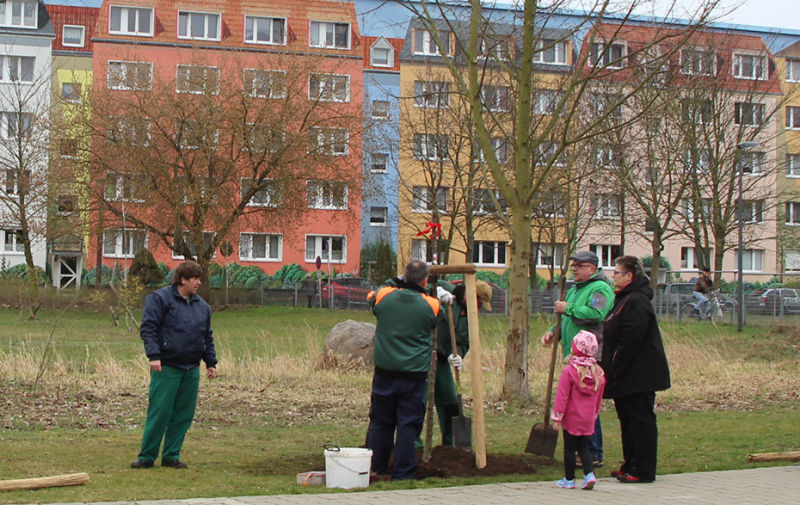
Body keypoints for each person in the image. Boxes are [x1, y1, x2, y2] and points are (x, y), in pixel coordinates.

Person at [131, 261, 218, 469]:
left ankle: (171, 455)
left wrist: (210, 362)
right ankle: (147, 456)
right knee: (160, 412)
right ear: (183, 279)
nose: (199, 283)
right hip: (166, 367)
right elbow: (148, 329)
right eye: (195, 279)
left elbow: (206, 336)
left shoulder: (202, 307)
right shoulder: (159, 299)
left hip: (191, 368)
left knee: (183, 415)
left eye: (199, 279)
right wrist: (154, 355)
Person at [366, 260, 441, 481]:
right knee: (408, 425)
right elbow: (439, 319)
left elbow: (375, 294)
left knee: (380, 422)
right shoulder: (431, 305)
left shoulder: (384, 296)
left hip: (384, 373)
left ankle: (377, 468)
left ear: (404, 276)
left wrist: (397, 280)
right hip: (413, 377)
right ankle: (403, 473)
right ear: (425, 280)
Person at [601, 255, 671, 484]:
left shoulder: (637, 301)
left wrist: (616, 367)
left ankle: (643, 468)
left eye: (617, 272)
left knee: (640, 420)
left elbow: (631, 339)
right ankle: (630, 463)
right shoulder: (623, 299)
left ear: (629, 276)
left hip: (639, 375)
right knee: (627, 420)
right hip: (624, 375)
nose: (613, 276)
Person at [541, 250, 614, 468]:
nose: (574, 269)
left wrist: (568, 308)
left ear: (591, 268)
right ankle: (581, 450)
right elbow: (567, 319)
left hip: (591, 360)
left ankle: (592, 452)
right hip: (573, 359)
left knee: (586, 405)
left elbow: (596, 314)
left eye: (579, 265)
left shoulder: (600, 289)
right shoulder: (575, 290)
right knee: (575, 405)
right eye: (573, 265)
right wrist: (554, 332)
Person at [416, 279, 493, 448]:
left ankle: (451, 445)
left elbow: (464, 342)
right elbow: (417, 289)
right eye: (480, 303)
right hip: (423, 356)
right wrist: (435, 292)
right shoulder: (446, 289)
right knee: (419, 400)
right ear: (472, 296)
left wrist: (457, 355)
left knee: (451, 401)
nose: (480, 308)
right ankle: (414, 444)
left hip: (442, 361)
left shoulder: (470, 318)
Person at [551, 330, 605, 490]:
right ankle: (589, 474)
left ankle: (569, 479)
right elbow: (599, 398)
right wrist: (595, 414)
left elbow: (562, 396)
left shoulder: (569, 371)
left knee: (569, 448)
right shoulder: (598, 374)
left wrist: (557, 417)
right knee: (583, 447)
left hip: (572, 417)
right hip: (588, 418)